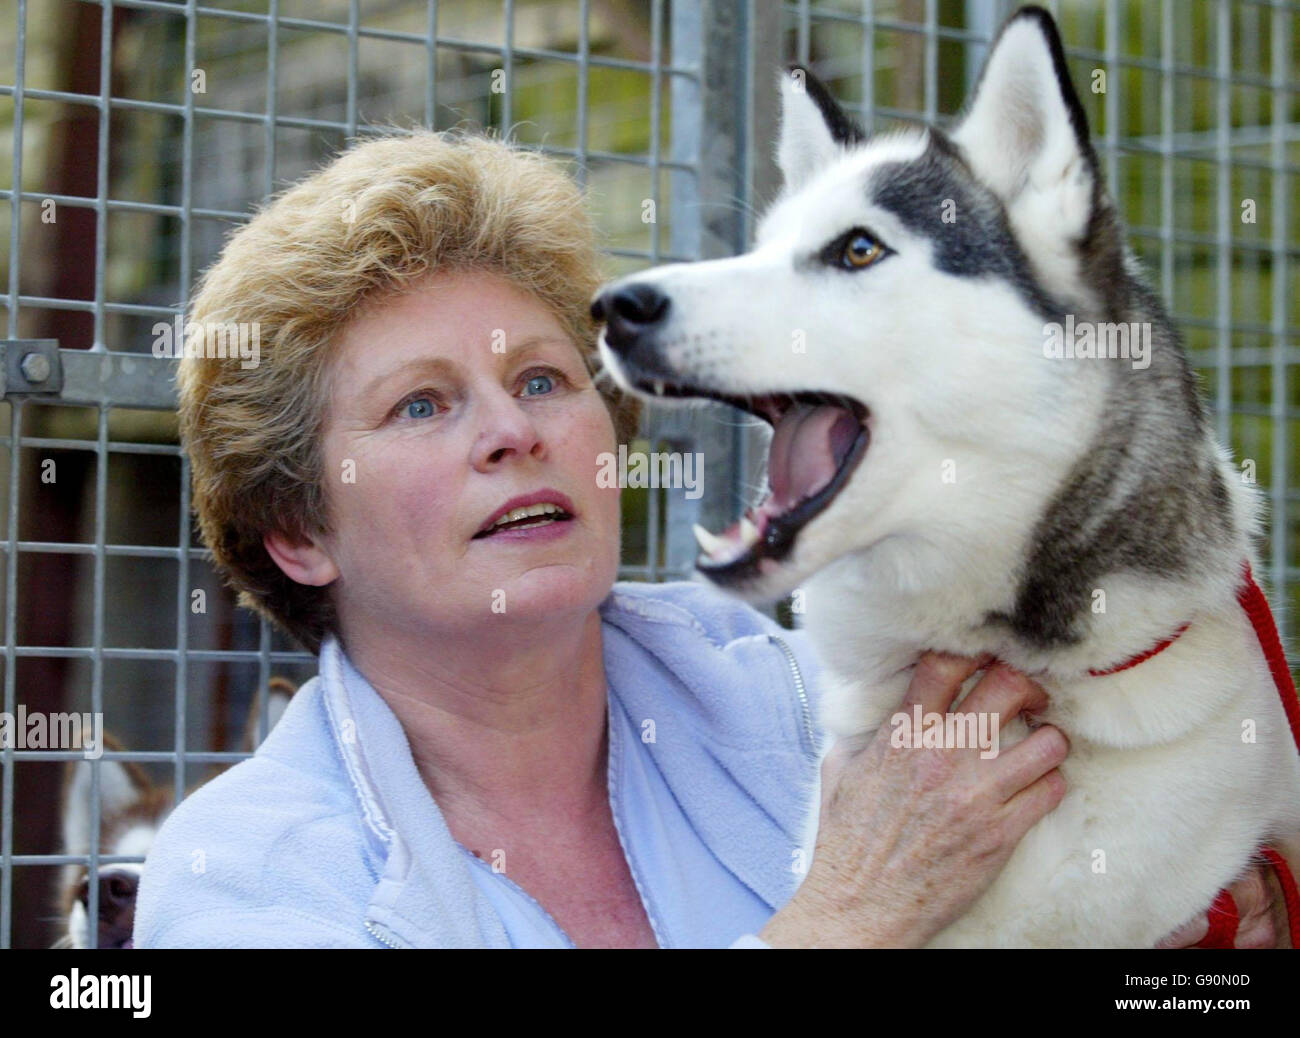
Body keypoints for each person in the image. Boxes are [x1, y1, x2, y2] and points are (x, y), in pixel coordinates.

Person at [133, 126, 1284, 948]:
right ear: (296, 531)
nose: (514, 434)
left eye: (541, 378)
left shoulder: (821, 686)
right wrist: (849, 920)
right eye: (421, 406)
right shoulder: (247, 882)